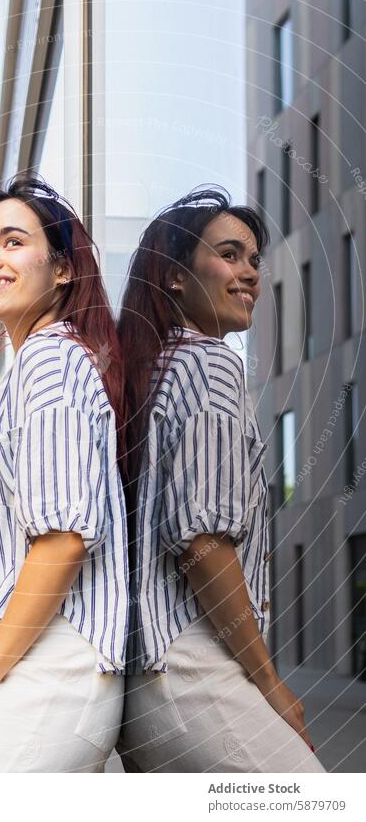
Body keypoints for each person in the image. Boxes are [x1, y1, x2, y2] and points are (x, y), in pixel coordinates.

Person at [115, 186, 325, 773]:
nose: (250, 273)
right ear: (175, 276)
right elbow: (204, 545)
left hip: (142, 683)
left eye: (255, 260)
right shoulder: (211, 366)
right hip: (192, 669)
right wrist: (272, 685)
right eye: (229, 254)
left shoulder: (147, 375)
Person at [0, 175, 129, 773]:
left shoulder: (51, 364)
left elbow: (63, 541)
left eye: (12, 241)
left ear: (62, 269)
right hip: (45, 669)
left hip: (58, 673)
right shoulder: (32, 369)